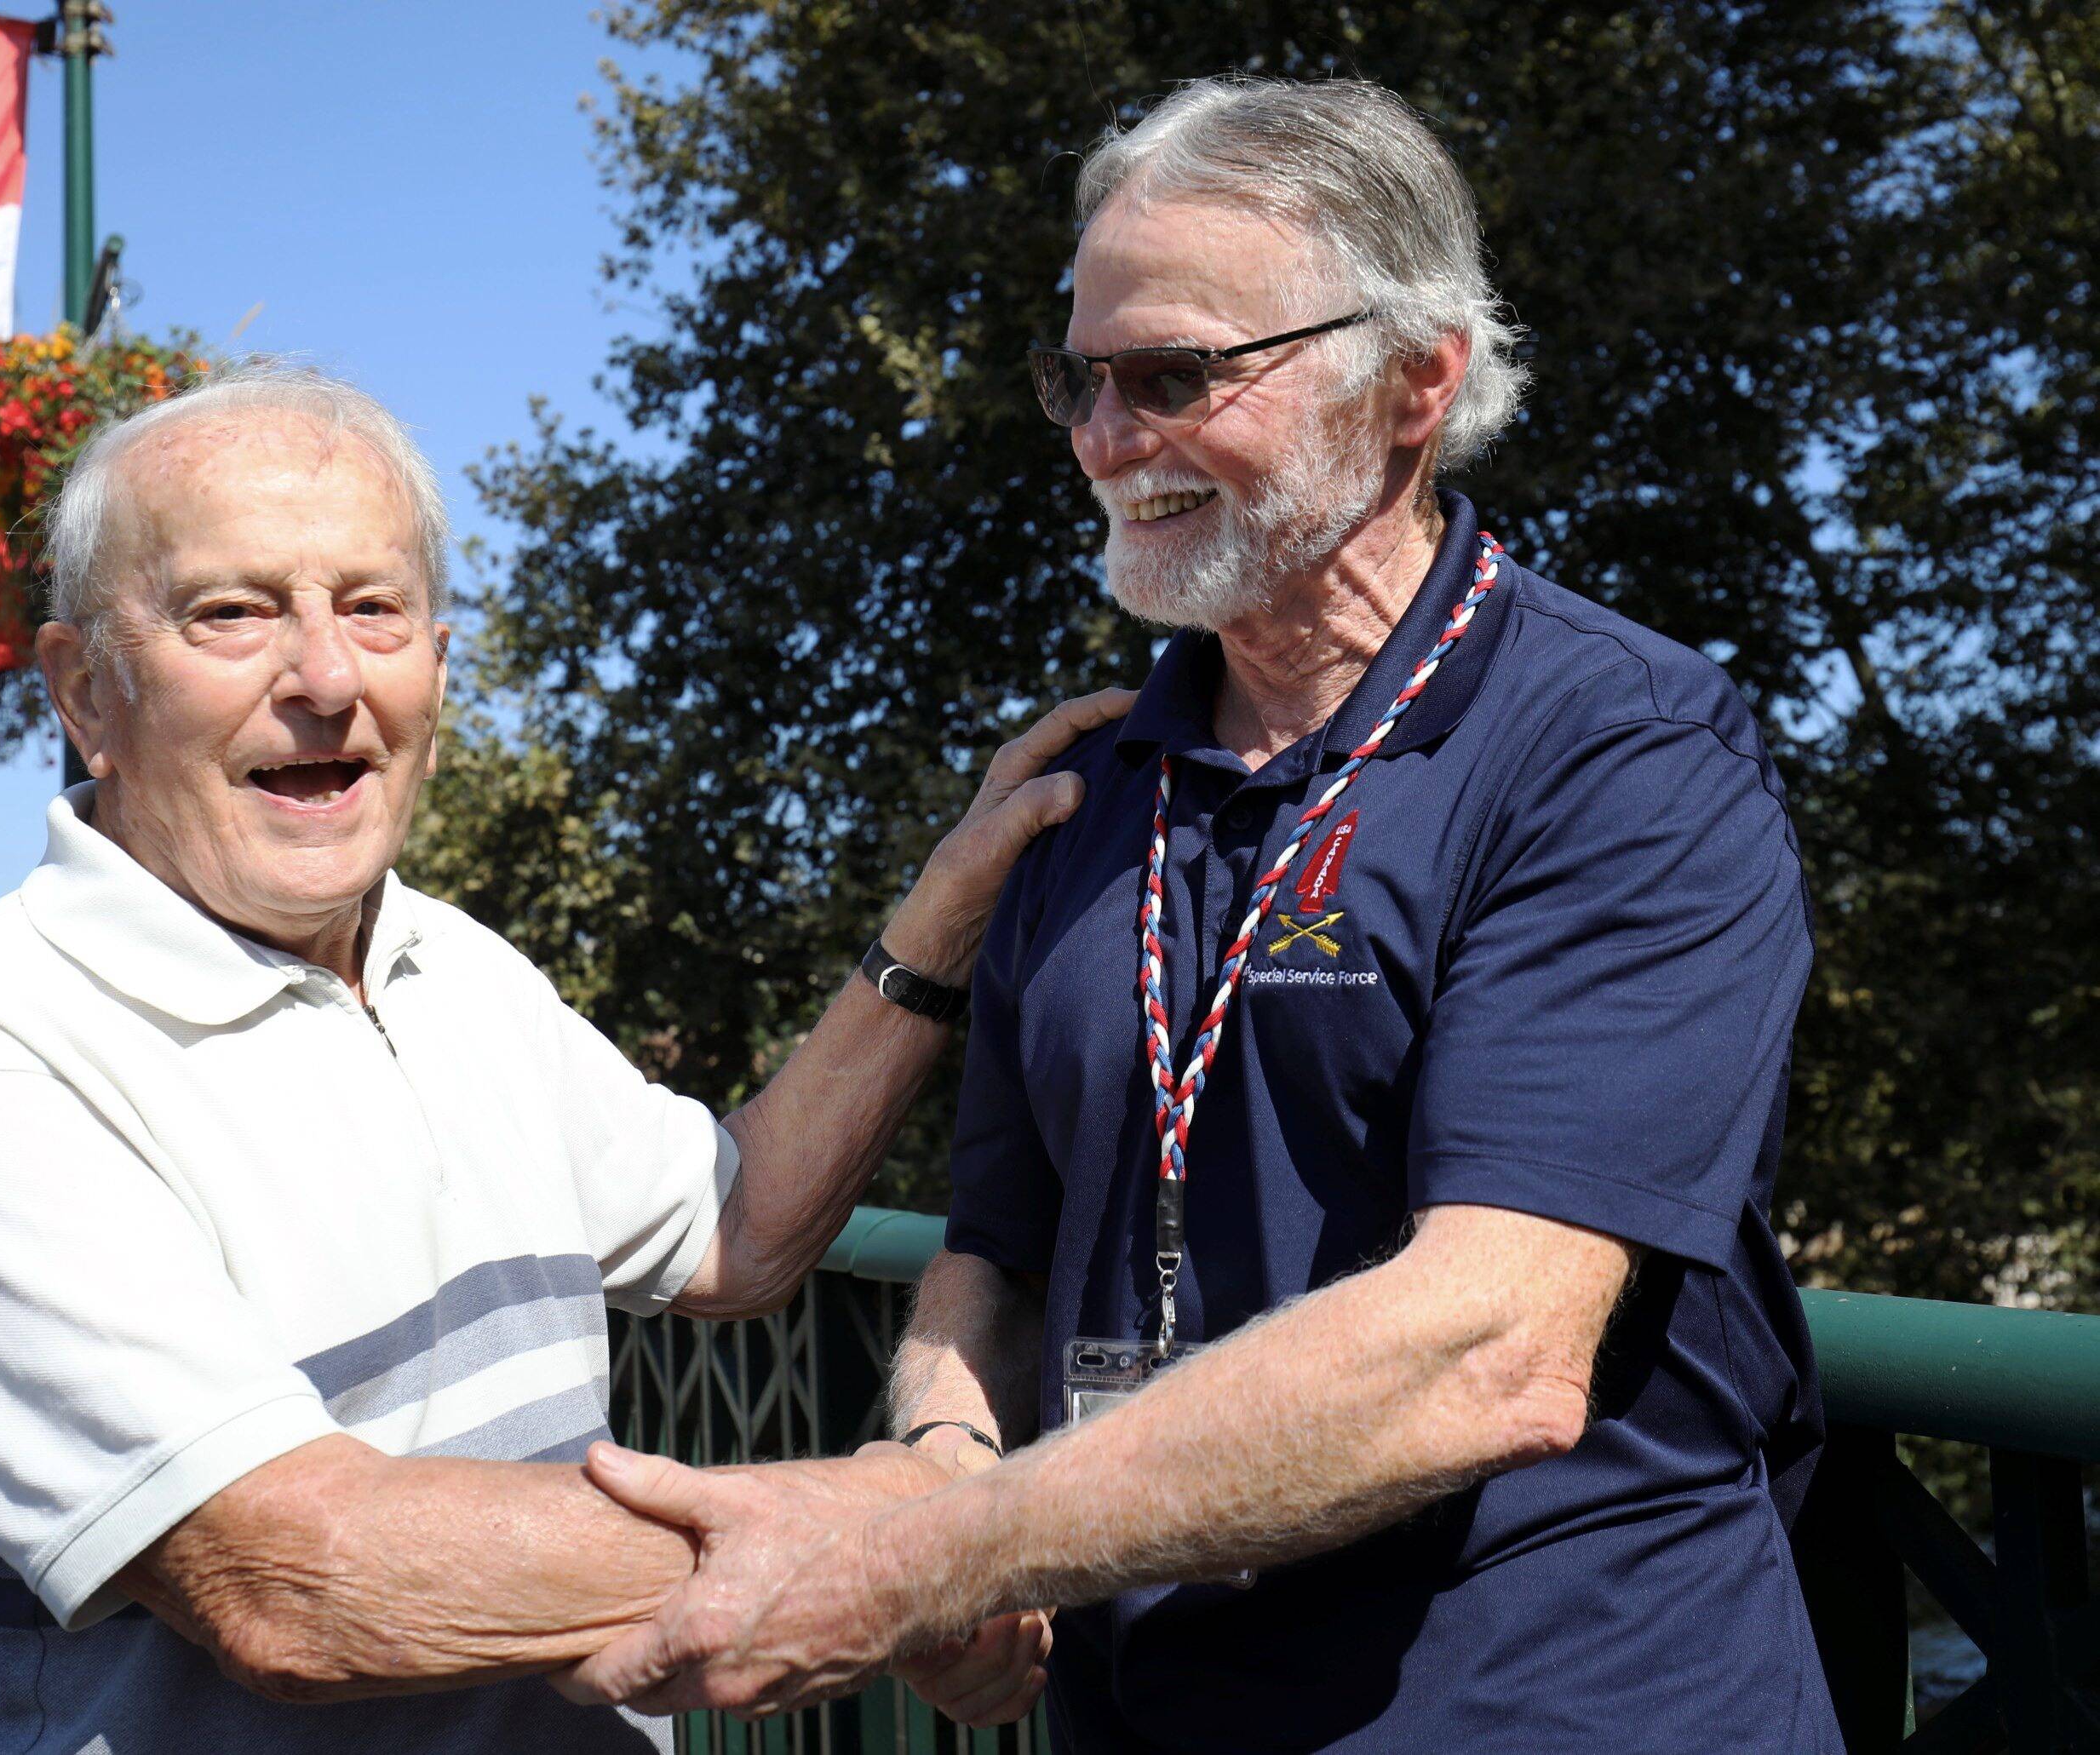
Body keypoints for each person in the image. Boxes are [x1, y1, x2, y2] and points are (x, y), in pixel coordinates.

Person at [566, 76, 1842, 1752]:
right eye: (1079, 381)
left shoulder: (1618, 745)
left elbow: (1491, 1344)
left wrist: (913, 1552)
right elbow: (993, 1260)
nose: (1105, 439)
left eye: (1172, 376)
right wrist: (948, 1460)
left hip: (1548, 1706)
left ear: (1413, 378)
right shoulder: (1086, 789)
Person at [0, 361, 1124, 1752]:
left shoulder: (453, 966)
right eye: (233, 611)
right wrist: (896, 1549)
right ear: (87, 692)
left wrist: (947, 910)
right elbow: (292, 1574)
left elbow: (733, 1227)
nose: (323, 676)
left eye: (372, 608)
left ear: (437, 663)